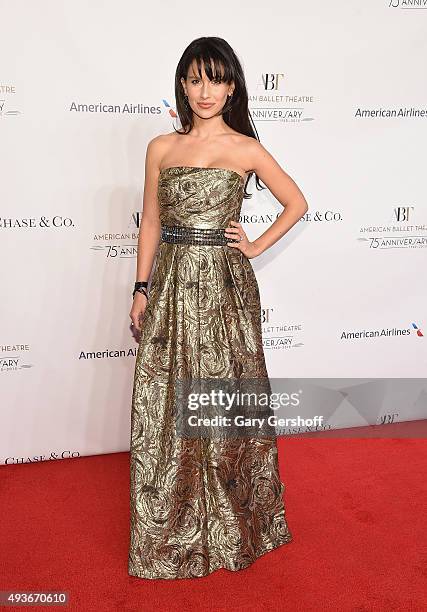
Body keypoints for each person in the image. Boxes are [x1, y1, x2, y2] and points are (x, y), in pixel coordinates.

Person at [128, 36, 308, 580]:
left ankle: (233, 526)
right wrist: (140, 288)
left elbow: (296, 202)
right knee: (163, 407)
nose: (206, 91)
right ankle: (173, 531)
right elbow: (152, 223)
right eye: (195, 79)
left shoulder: (246, 149)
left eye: (218, 79)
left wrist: (253, 245)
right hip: (173, 283)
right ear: (182, 85)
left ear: (233, 87)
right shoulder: (161, 147)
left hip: (225, 288)